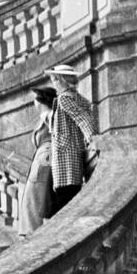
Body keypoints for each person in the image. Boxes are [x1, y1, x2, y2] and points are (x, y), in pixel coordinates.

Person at [44, 64, 97, 216]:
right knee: (68, 197)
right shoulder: (77, 97)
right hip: (69, 156)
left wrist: (92, 138)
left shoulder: (64, 98)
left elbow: (82, 119)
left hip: (65, 158)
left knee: (64, 200)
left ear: (61, 80)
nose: (53, 83)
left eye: (54, 80)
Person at [18, 86, 55, 236]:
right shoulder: (44, 117)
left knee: (36, 197)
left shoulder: (50, 116)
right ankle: (29, 230)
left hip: (45, 161)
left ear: (39, 102)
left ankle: (31, 231)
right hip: (40, 161)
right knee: (32, 197)